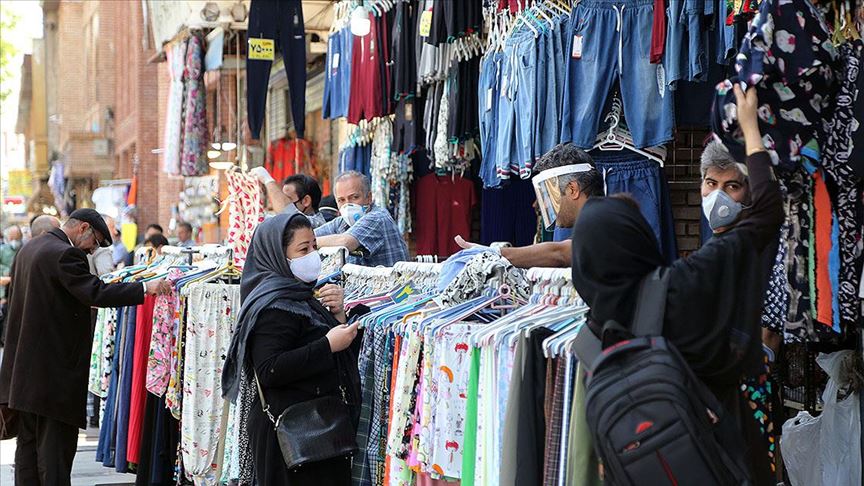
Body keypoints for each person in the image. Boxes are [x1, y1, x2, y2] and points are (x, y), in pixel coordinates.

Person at [570, 86, 783, 483]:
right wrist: (751, 131)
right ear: (638, 241)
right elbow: (768, 212)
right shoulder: (683, 285)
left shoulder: (590, 341)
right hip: (726, 458)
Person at [0, 208, 171, 485]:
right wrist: (144, 289)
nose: (92, 250)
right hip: (53, 374)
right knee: (55, 453)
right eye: (95, 242)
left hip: (24, 373)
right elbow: (95, 292)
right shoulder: (65, 254)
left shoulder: (29, 249)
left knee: (28, 450)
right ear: (82, 228)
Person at [221, 213, 360, 485]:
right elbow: (270, 369)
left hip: (318, 431)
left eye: (314, 247)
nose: (313, 256)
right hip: (290, 438)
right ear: (277, 255)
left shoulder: (302, 296)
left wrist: (338, 317)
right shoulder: (274, 306)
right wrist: (327, 345)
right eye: (303, 249)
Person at [456, 144, 604, 268]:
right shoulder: (595, 221)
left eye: (548, 194)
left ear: (572, 189)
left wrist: (493, 254)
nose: (542, 204)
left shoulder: (606, 220)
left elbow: (560, 254)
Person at [314, 171, 409, 267]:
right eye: (341, 200)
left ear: (369, 198)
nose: (347, 205)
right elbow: (313, 233)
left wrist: (309, 242)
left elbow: (345, 242)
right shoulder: (342, 222)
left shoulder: (377, 217)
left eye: (354, 197)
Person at [0, 225, 22, 346]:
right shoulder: (3, 250)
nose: (14, 240)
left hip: (18, 288)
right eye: (12, 237)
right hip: (5, 287)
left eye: (17, 237)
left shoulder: (23, 248)